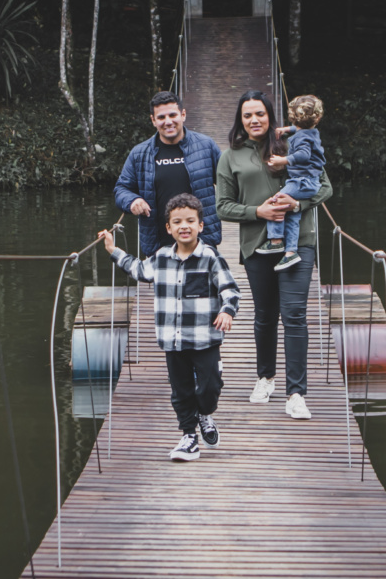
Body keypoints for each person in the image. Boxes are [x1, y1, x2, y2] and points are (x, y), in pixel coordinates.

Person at [216, 90, 331, 420]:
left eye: (260, 114)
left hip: (299, 244)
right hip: (257, 247)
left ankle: (296, 393)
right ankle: (265, 377)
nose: (254, 120)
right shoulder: (231, 157)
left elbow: (325, 186)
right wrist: (258, 212)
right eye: (247, 115)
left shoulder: (293, 144)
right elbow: (223, 206)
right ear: (240, 119)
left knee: (294, 314)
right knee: (265, 315)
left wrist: (298, 204)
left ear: (271, 116)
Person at [99, 193, 240, 461]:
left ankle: (204, 413)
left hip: (205, 338)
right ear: (169, 228)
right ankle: (189, 436)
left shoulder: (210, 257)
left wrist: (227, 311)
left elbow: (230, 290)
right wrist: (112, 250)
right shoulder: (161, 257)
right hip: (172, 340)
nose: (183, 226)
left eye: (190, 221)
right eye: (177, 222)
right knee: (181, 389)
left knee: (210, 387)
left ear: (200, 226)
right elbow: (139, 270)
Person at [114, 91, 222, 257]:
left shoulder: (206, 146)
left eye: (173, 115)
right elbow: (121, 189)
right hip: (159, 246)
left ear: (183, 114)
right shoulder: (139, 154)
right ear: (153, 120)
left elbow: (229, 181)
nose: (168, 122)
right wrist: (132, 200)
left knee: (202, 284)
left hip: (203, 243)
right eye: (161, 117)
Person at [261, 94, 326, 272]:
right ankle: (290, 253)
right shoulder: (311, 132)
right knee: (293, 215)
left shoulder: (301, 138)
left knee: (277, 200)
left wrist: (283, 160)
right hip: (310, 182)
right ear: (317, 118)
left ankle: (275, 240)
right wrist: (287, 129)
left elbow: (303, 155)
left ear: (292, 116)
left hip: (301, 182)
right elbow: (301, 129)